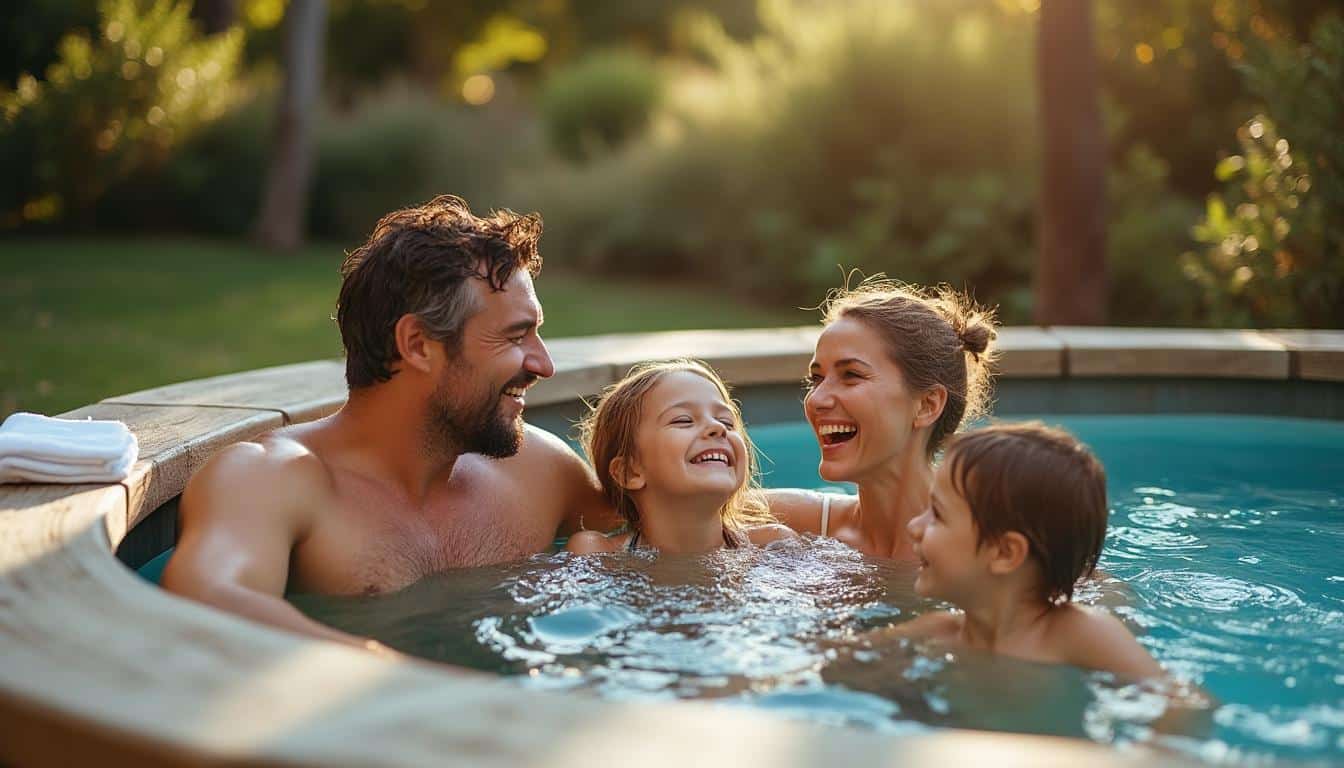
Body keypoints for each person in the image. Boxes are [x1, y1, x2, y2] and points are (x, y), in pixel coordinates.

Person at [164, 195, 618, 651]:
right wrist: (393, 676)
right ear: (418, 345)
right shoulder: (271, 477)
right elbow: (205, 596)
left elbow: (658, 536)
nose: (544, 365)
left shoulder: (540, 470)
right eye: (516, 336)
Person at [886, 422, 1162, 678]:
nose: (913, 526)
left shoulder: (1082, 635)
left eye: (937, 514)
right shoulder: (936, 632)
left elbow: (1180, 705)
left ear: (1005, 553)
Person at [768, 278, 998, 560]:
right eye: (816, 379)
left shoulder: (991, 551)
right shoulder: (790, 524)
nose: (815, 400)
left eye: (851, 375)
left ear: (927, 405)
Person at [566, 360, 794, 554]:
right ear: (629, 472)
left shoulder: (772, 545)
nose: (717, 428)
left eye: (726, 422)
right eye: (683, 420)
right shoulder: (599, 553)